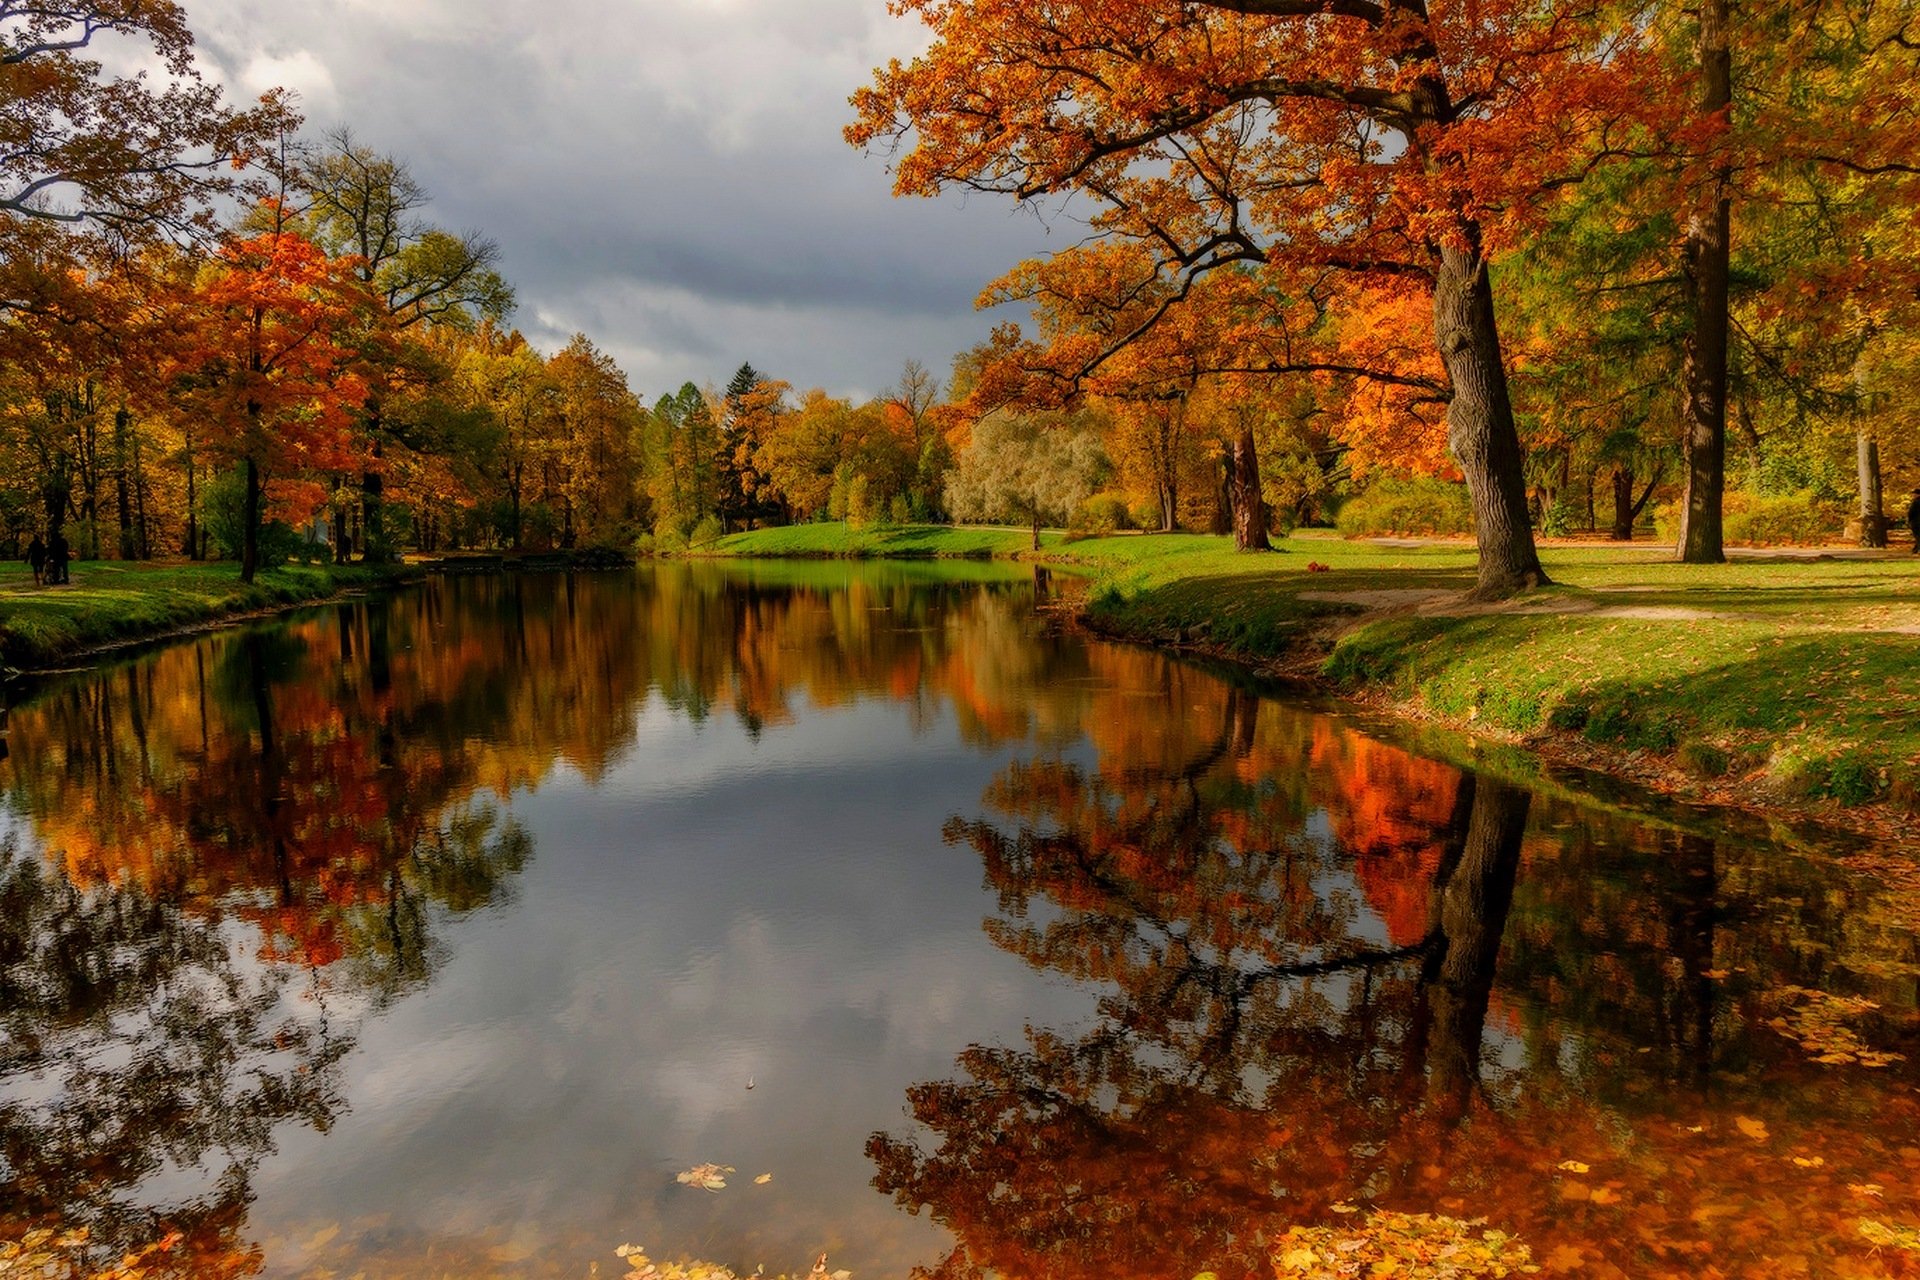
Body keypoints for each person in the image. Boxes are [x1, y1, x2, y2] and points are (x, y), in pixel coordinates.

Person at [1909, 488, 1920, 554]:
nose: (1913, 495)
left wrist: (1909, 521)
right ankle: (1915, 550)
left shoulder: (1915, 502)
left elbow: (1911, 512)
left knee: (1917, 536)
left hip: (1916, 522)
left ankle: (1918, 549)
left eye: (1914, 494)